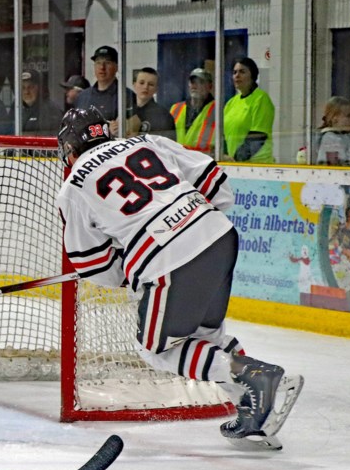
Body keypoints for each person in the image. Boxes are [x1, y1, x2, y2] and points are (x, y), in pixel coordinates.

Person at [55, 106, 303, 450]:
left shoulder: (73, 186)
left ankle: (256, 375)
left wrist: (130, 271)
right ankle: (255, 414)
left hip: (168, 258)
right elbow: (215, 182)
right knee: (204, 337)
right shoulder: (146, 142)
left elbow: (95, 265)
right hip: (219, 235)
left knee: (154, 350)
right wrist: (194, 222)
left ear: (69, 147)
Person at [73, 45, 140, 138]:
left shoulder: (126, 96)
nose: (102, 67)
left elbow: (134, 126)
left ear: (116, 67)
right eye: (98, 63)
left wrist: (121, 128)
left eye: (107, 63)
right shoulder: (82, 97)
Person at [223, 56, 275, 163]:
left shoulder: (261, 99)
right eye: (234, 72)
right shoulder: (231, 103)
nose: (237, 75)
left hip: (258, 166)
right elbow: (224, 136)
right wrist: (224, 155)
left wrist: (236, 159)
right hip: (235, 165)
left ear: (252, 76)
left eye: (242, 72)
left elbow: (258, 136)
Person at [169, 67, 216, 156]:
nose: (195, 86)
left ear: (210, 86)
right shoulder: (175, 108)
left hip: (203, 162)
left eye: (200, 82)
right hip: (177, 161)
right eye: (192, 82)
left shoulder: (218, 110)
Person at [316, 96, 350, 166]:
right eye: (348, 116)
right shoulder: (329, 138)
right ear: (334, 118)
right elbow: (346, 164)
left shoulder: (347, 136)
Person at [132, 66, 176, 141]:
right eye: (141, 83)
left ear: (156, 89)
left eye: (151, 84)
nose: (145, 87)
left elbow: (166, 146)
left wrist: (137, 138)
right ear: (134, 84)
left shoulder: (163, 116)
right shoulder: (124, 110)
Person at [20, 68, 63, 135]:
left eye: (31, 87)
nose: (26, 92)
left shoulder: (51, 110)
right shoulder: (16, 109)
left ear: (40, 88)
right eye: (23, 88)